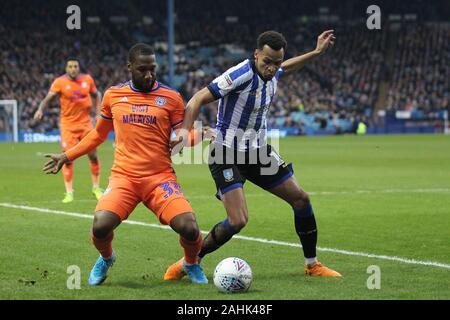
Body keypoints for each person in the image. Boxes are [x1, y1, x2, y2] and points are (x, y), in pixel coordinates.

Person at [166, 30, 341, 279]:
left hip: (258, 153)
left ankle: (312, 265)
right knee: (237, 220)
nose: (271, 68)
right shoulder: (240, 74)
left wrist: (315, 53)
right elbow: (195, 100)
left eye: (276, 63)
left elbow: (285, 69)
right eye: (267, 61)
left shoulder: (273, 71)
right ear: (256, 54)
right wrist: (184, 135)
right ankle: (190, 262)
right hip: (226, 152)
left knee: (301, 199)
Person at [43, 43, 208, 285]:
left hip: (160, 178)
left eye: (153, 69)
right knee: (100, 225)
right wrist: (67, 156)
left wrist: (203, 134)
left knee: (190, 227)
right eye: (143, 69)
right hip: (125, 178)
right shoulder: (113, 95)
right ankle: (107, 258)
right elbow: (97, 135)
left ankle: (190, 263)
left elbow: (182, 137)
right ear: (129, 67)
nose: (149, 74)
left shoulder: (171, 98)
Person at [34, 58, 103, 203]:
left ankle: (96, 188)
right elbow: (48, 98)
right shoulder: (59, 82)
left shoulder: (88, 80)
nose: (73, 69)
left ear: (79, 68)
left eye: (75, 66)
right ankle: (69, 192)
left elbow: (97, 95)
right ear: (66, 68)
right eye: (70, 66)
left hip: (85, 124)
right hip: (68, 126)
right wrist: (40, 110)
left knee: (93, 156)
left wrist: (98, 113)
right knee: (67, 159)